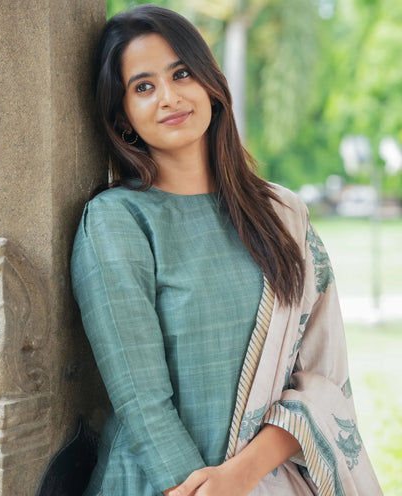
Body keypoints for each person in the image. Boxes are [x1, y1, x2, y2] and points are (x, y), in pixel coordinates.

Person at [71, 4, 382, 495]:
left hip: (266, 481)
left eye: (182, 73)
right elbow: (142, 402)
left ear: (211, 85)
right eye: (143, 86)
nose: (169, 97)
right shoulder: (119, 221)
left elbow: (323, 380)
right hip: (155, 483)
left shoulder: (282, 215)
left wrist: (241, 475)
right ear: (123, 117)